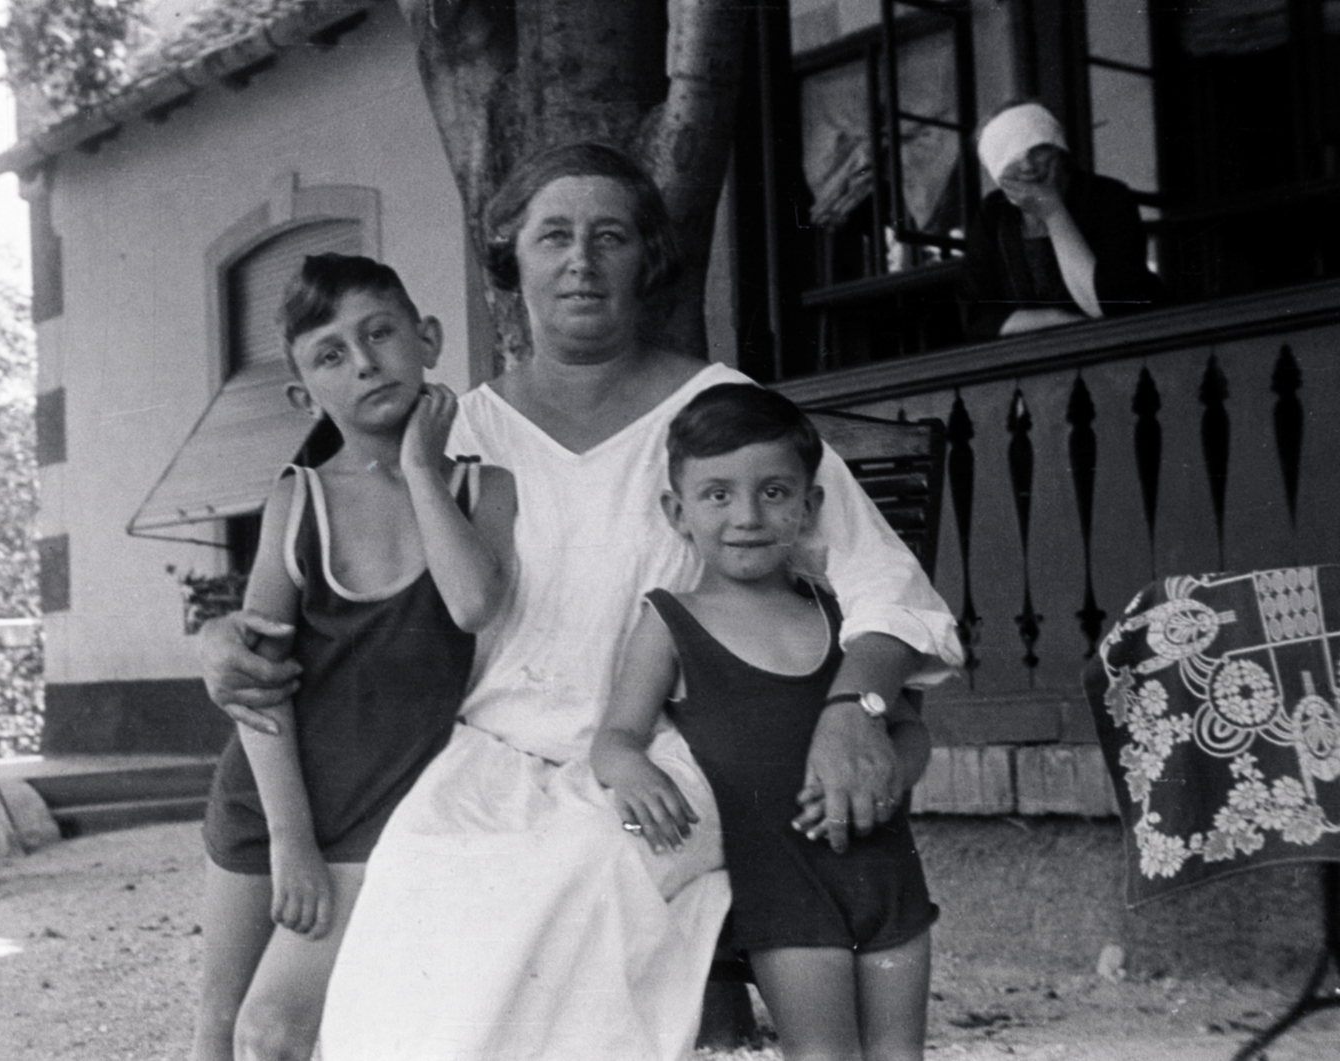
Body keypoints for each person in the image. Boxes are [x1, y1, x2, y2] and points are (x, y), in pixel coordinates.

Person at [199, 142, 962, 1061]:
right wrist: (222, 635)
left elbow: (886, 586)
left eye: (610, 236)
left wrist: (856, 706)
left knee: (574, 878)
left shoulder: (725, 419)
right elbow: (343, 581)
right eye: (552, 235)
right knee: (424, 890)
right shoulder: (458, 432)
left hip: (666, 756)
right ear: (512, 262)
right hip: (482, 759)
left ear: (649, 258)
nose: (580, 259)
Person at [189, 254, 516, 1061]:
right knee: (219, 1024)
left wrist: (418, 470)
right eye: (331, 354)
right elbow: (258, 689)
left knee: (279, 1034)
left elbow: (475, 603)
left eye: (380, 333)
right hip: (269, 798)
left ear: (428, 338)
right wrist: (287, 837)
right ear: (305, 394)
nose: (365, 361)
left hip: (378, 809)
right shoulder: (297, 501)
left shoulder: (486, 489)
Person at [591, 383, 936, 1061]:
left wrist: (893, 771)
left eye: (774, 492)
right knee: (823, 1054)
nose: (747, 515)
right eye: (718, 494)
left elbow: (907, 729)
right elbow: (616, 734)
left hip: (885, 867)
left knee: (901, 1054)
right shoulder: (670, 620)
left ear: (809, 507)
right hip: (783, 887)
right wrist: (631, 769)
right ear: (677, 510)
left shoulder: (839, 615)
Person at [960, 101, 1165, 341]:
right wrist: (1062, 321)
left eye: (1038, 150)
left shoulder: (1107, 196)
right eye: (1010, 158)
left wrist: (1053, 211)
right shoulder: (992, 214)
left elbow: (1109, 304)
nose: (1027, 166)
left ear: (1058, 148)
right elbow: (979, 318)